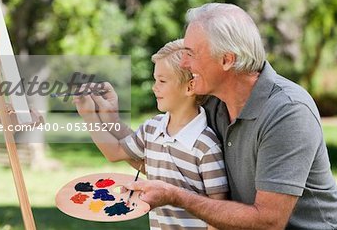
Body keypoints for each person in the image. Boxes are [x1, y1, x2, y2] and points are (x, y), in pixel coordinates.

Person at [84, 3, 337, 230]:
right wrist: (109, 119)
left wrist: (177, 197)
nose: (185, 63)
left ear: (227, 60)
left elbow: (268, 222)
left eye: (191, 53)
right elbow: (169, 161)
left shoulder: (287, 112)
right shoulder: (212, 103)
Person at [74, 39, 229, 230]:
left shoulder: (206, 147)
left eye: (162, 81)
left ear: (190, 87)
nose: (154, 87)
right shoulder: (152, 128)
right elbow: (114, 152)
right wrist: (91, 115)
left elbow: (219, 215)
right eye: (155, 79)